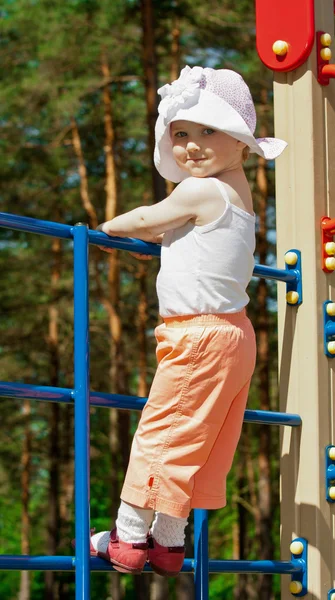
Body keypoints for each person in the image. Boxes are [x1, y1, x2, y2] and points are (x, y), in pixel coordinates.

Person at [89, 66, 287, 576]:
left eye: (208, 132)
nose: (192, 147)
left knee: (163, 430)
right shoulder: (236, 194)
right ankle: (169, 541)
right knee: (200, 438)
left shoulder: (200, 192)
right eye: (181, 134)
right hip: (234, 334)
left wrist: (111, 229)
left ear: (241, 141)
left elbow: (147, 218)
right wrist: (160, 242)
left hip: (198, 333)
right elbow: (192, 240)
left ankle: (129, 539)